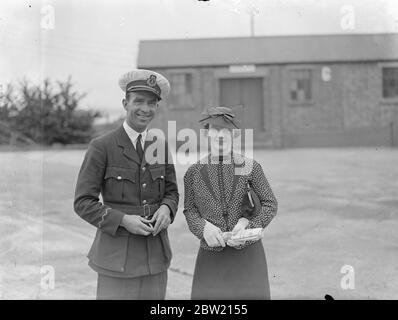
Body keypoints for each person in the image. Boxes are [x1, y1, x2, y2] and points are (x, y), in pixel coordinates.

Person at [74, 69, 179, 300]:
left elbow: (171, 192)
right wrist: (123, 220)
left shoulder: (159, 146)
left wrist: (166, 208)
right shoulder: (102, 146)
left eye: (152, 103)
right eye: (138, 101)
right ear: (125, 103)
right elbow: (83, 203)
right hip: (117, 261)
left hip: (155, 258)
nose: (145, 109)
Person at [183, 106, 278, 299]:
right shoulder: (193, 173)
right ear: (206, 134)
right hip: (211, 256)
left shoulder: (251, 167)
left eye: (226, 131)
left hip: (248, 255)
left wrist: (248, 225)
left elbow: (270, 204)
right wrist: (203, 229)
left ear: (234, 136)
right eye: (215, 130)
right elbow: (190, 210)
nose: (221, 136)